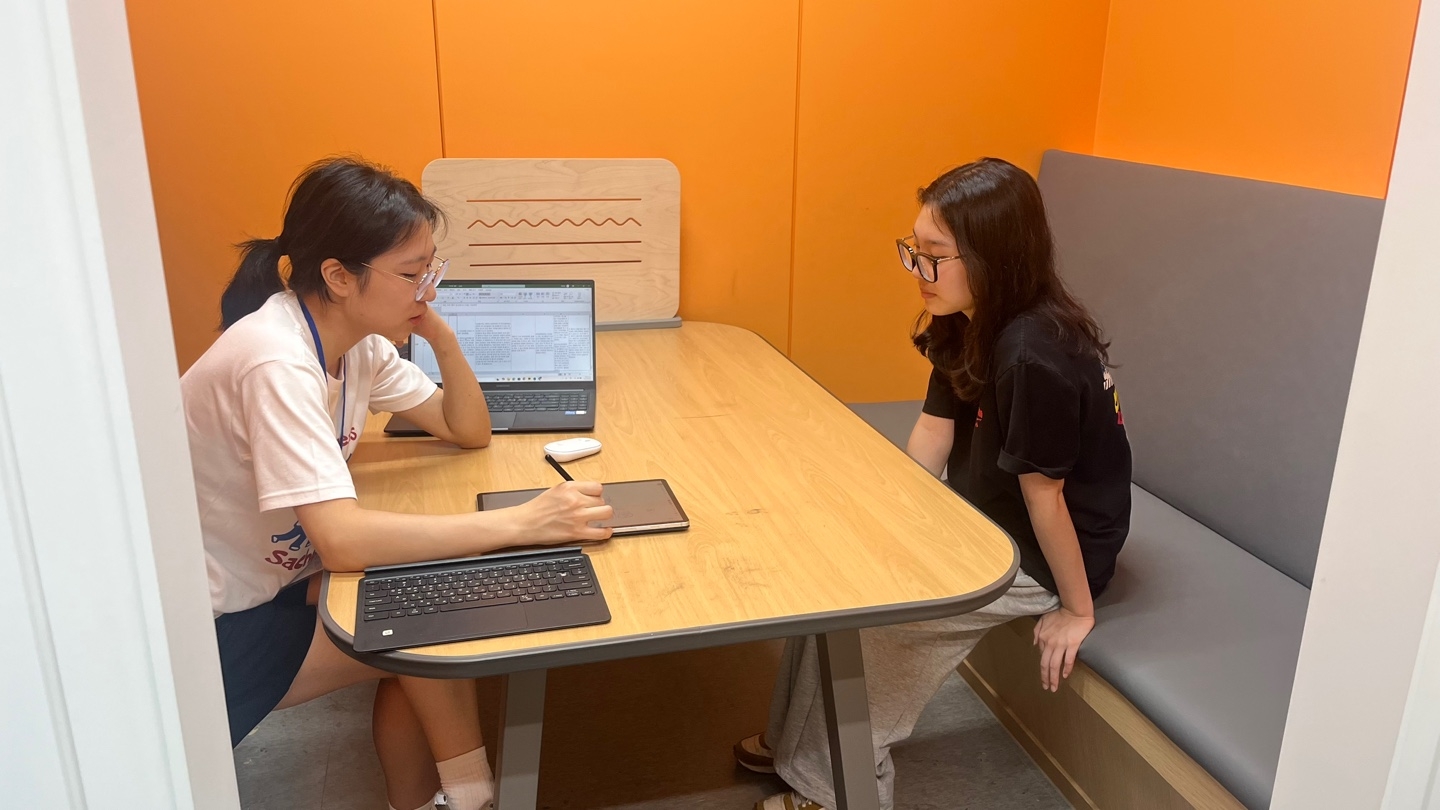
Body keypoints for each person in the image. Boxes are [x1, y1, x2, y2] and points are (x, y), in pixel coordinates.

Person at [182, 156, 615, 810]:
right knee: (427, 621)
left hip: (274, 580)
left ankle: (452, 798)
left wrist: (442, 338)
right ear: (339, 276)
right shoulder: (274, 361)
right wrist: (522, 522)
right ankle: (472, 797)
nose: (427, 290)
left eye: (431, 271)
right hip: (211, 626)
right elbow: (343, 542)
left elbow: (466, 428)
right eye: (413, 275)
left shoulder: (355, 342)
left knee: (422, 594)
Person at [734, 157, 1132, 810]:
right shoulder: (967, 318)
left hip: (1047, 549)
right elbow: (934, 430)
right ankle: (796, 749)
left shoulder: (1032, 355)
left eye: (935, 256)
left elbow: (1047, 498)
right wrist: (890, 525)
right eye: (914, 250)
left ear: (993, 258)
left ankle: (838, 793)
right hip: (987, 514)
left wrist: (1076, 608)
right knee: (835, 580)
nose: (918, 270)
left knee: (876, 625)